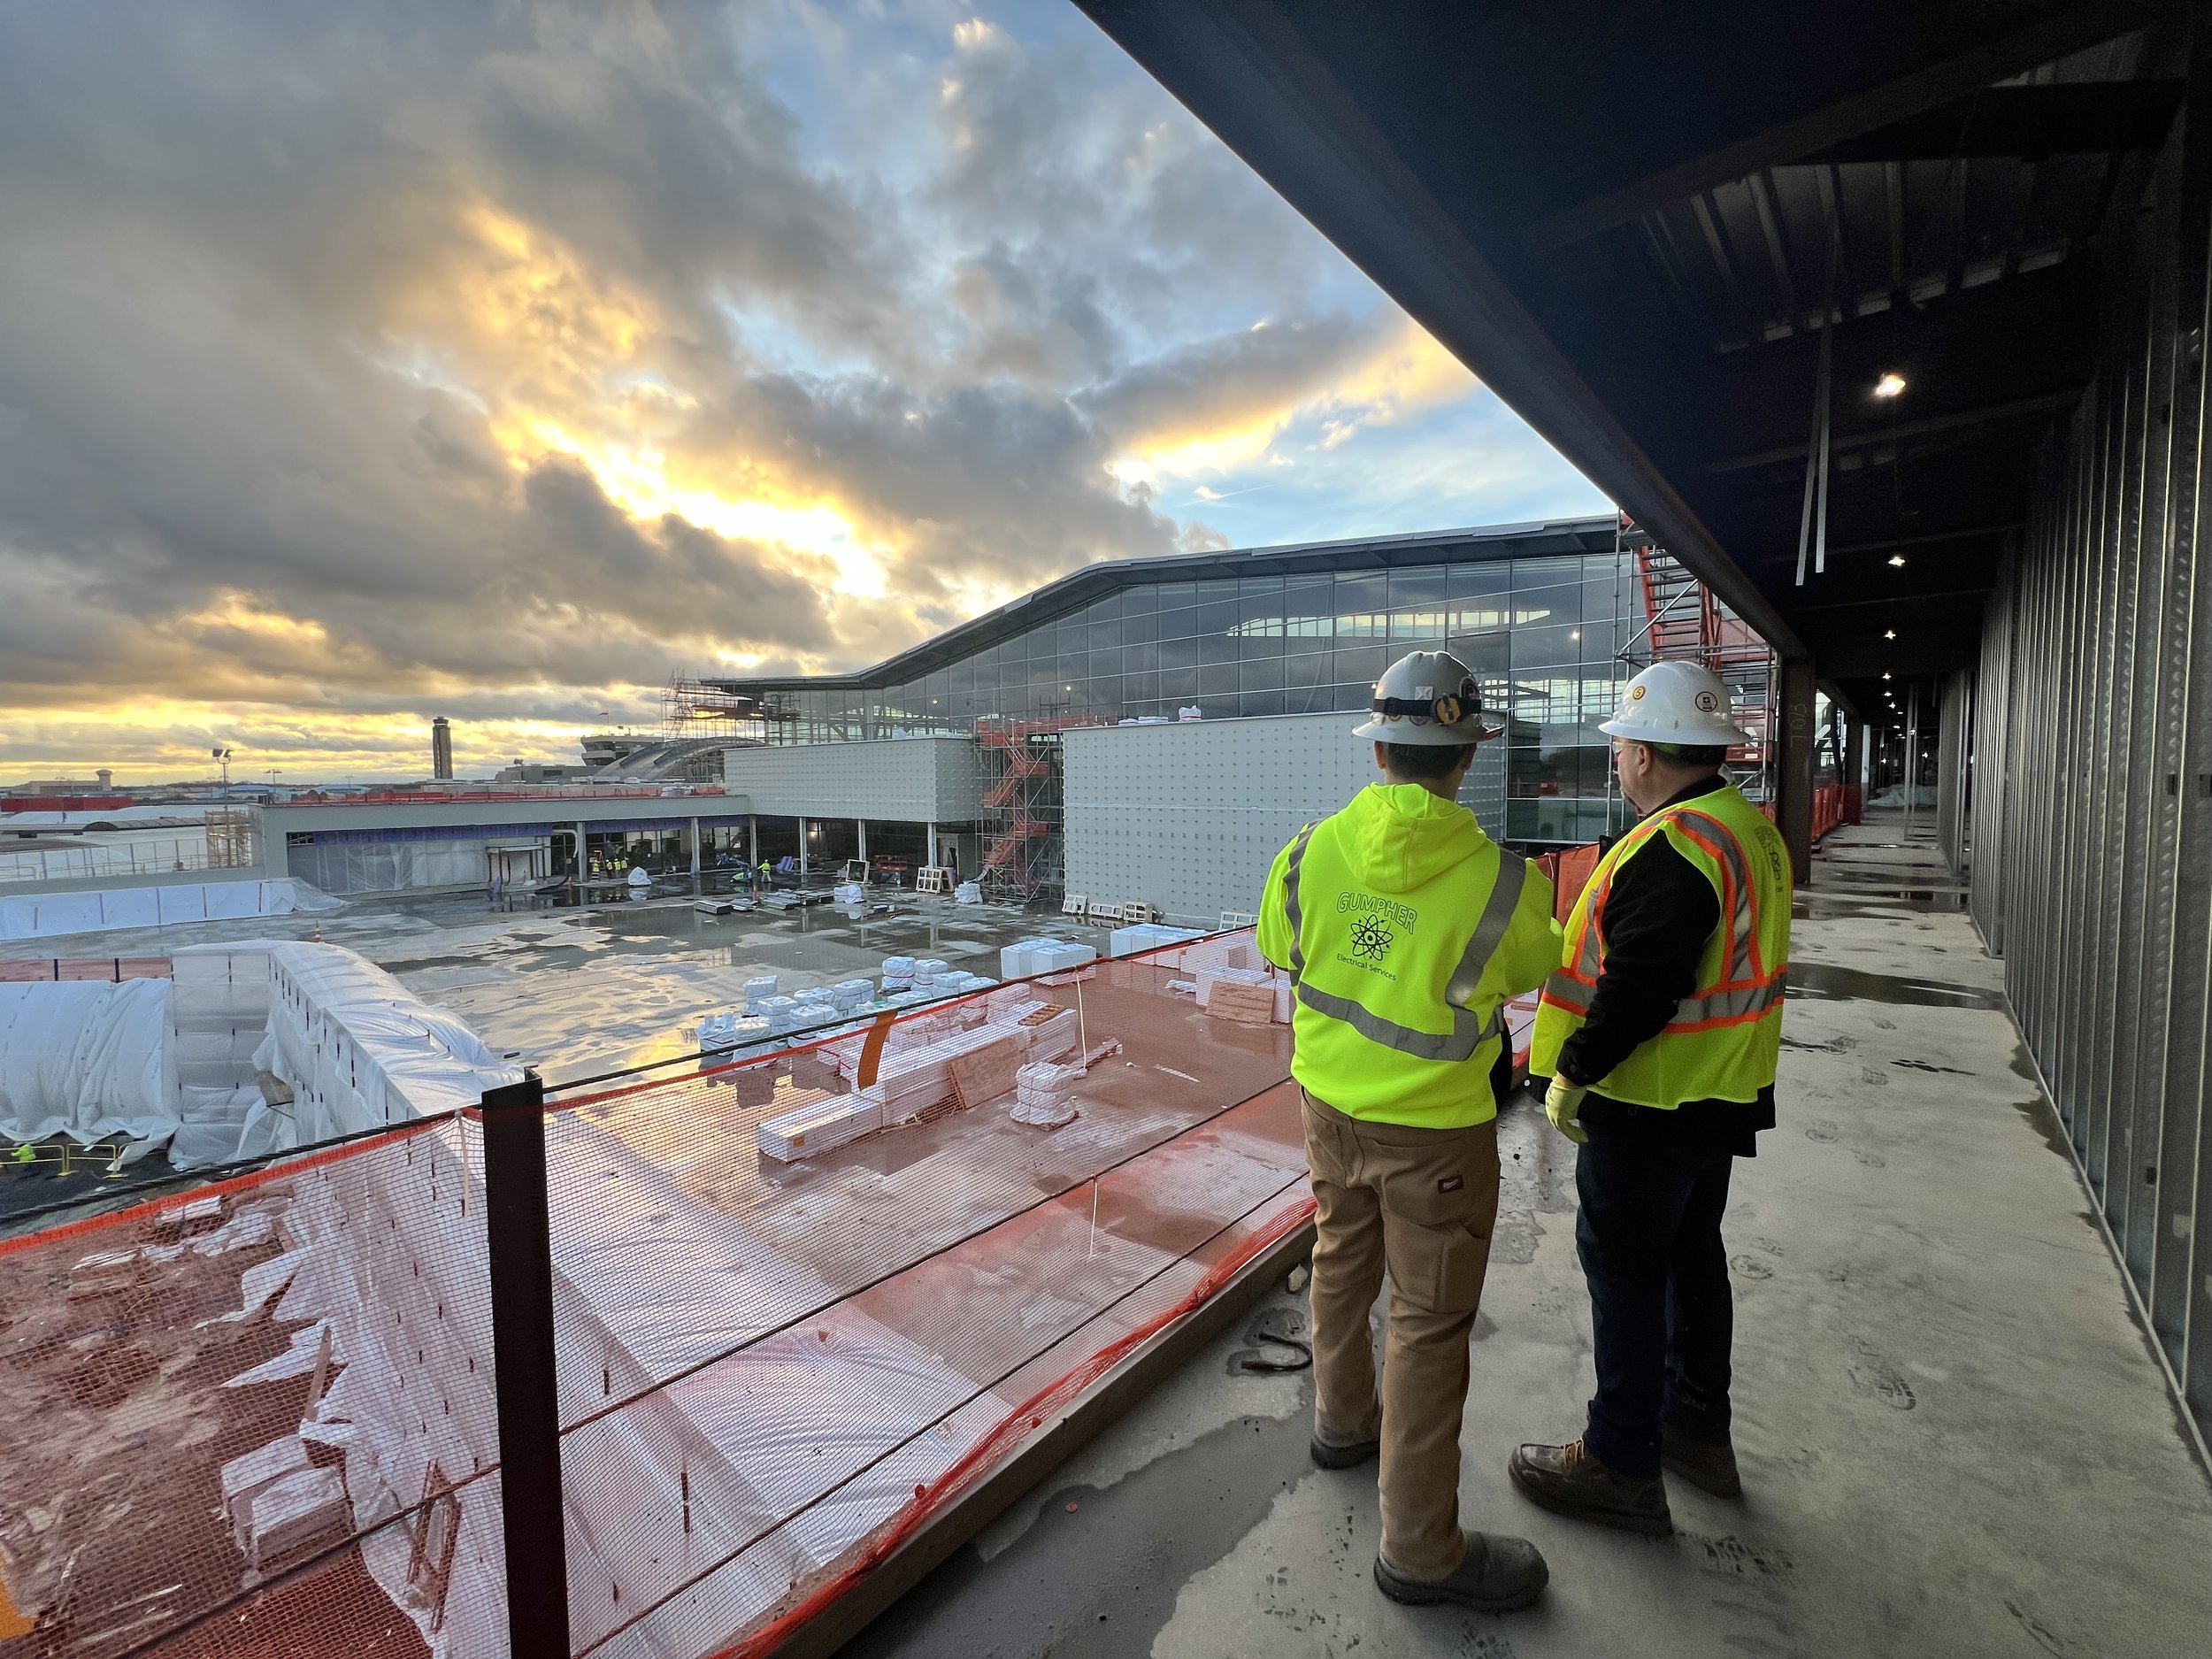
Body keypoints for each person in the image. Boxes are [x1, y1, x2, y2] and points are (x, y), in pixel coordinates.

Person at [1258, 649, 1562, 1614]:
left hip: (1326, 1110)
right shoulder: (1503, 884)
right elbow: (1532, 970)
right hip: (1434, 1138)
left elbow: (1277, 944)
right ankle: (1422, 1553)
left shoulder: (1309, 849)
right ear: (1465, 754)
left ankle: (1341, 1426)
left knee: (1341, 1259)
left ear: (1379, 748)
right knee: (1428, 1330)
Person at [1511, 660, 1792, 1536]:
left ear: (1639, 754)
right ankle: (1696, 1430)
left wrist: (1575, 1070)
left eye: (1620, 746)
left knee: (1626, 1273)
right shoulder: (1745, 829)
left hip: (1650, 1101)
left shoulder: (1672, 849)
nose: (1617, 760)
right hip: (1717, 1092)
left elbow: (1640, 986)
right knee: (1688, 1258)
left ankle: (1620, 1462)